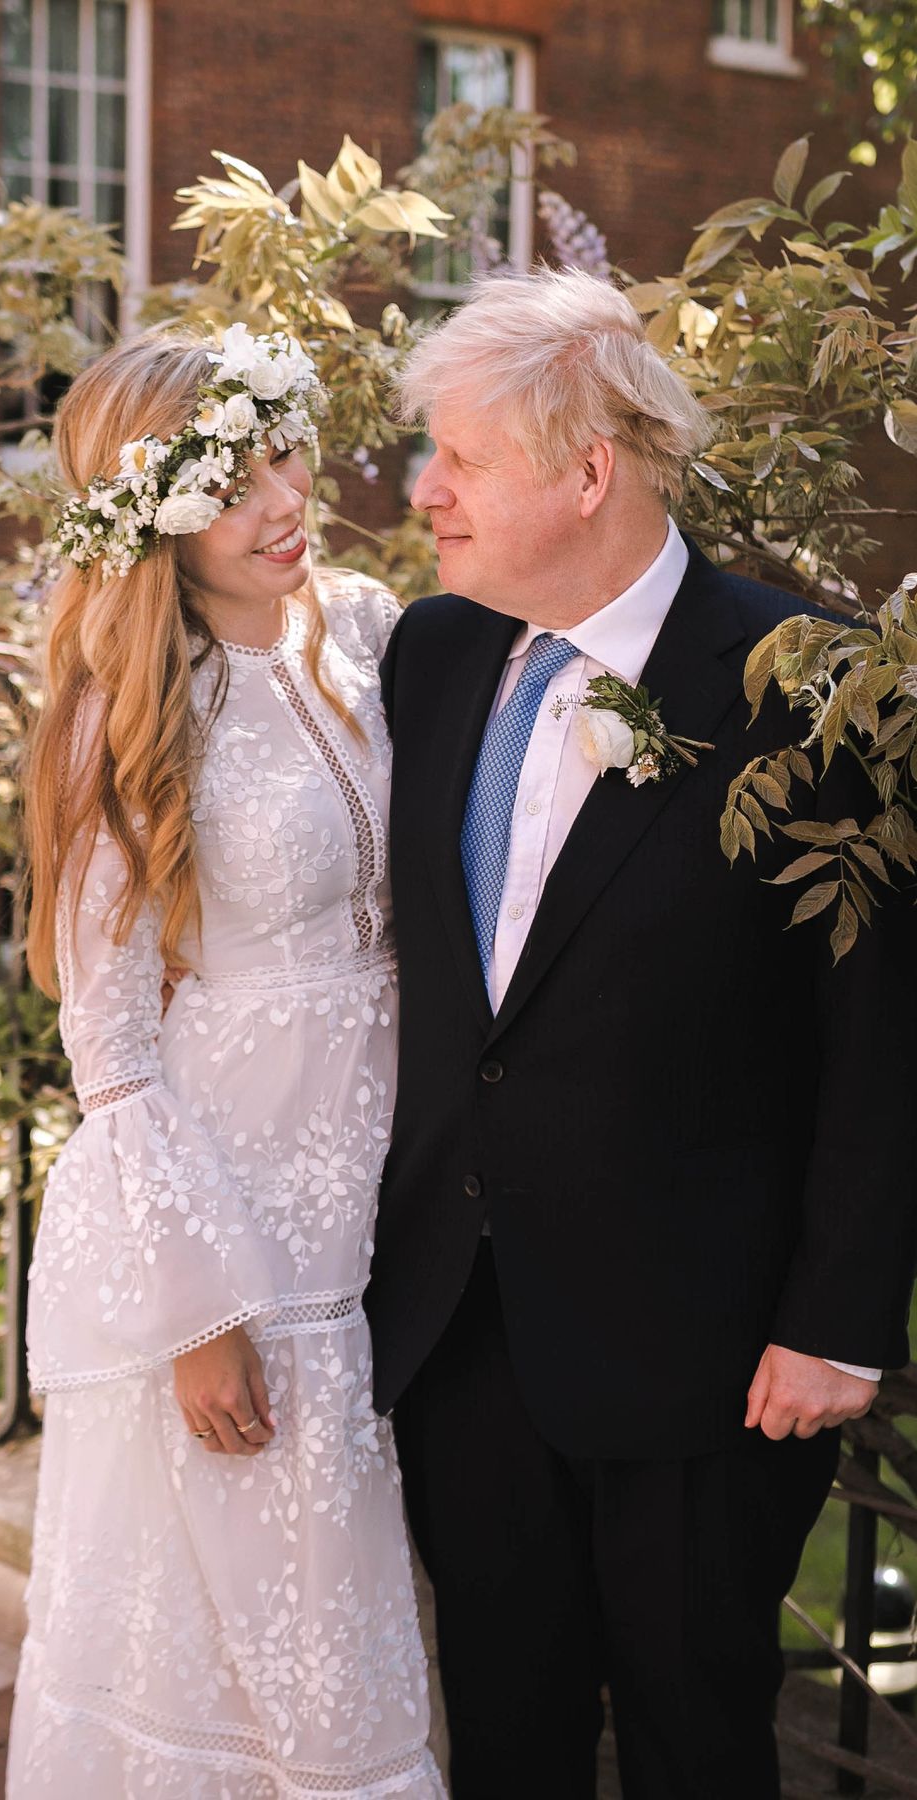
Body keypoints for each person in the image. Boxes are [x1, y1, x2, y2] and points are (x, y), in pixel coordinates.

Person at [363, 267, 916, 1799]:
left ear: (586, 471)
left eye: (459, 462)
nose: (425, 497)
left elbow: (881, 1036)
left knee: (695, 1742)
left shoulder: (815, 688)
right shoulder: (434, 653)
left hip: (711, 1361)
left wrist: (838, 1319)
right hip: (459, 1332)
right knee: (507, 1733)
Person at [7, 324, 444, 1799]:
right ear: (150, 515)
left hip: (401, 1178)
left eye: (284, 447)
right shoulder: (128, 715)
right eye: (229, 477)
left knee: (369, 1603)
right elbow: (113, 1045)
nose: (282, 495)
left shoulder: (371, 628)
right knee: (266, 1629)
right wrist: (199, 1312)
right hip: (239, 1223)